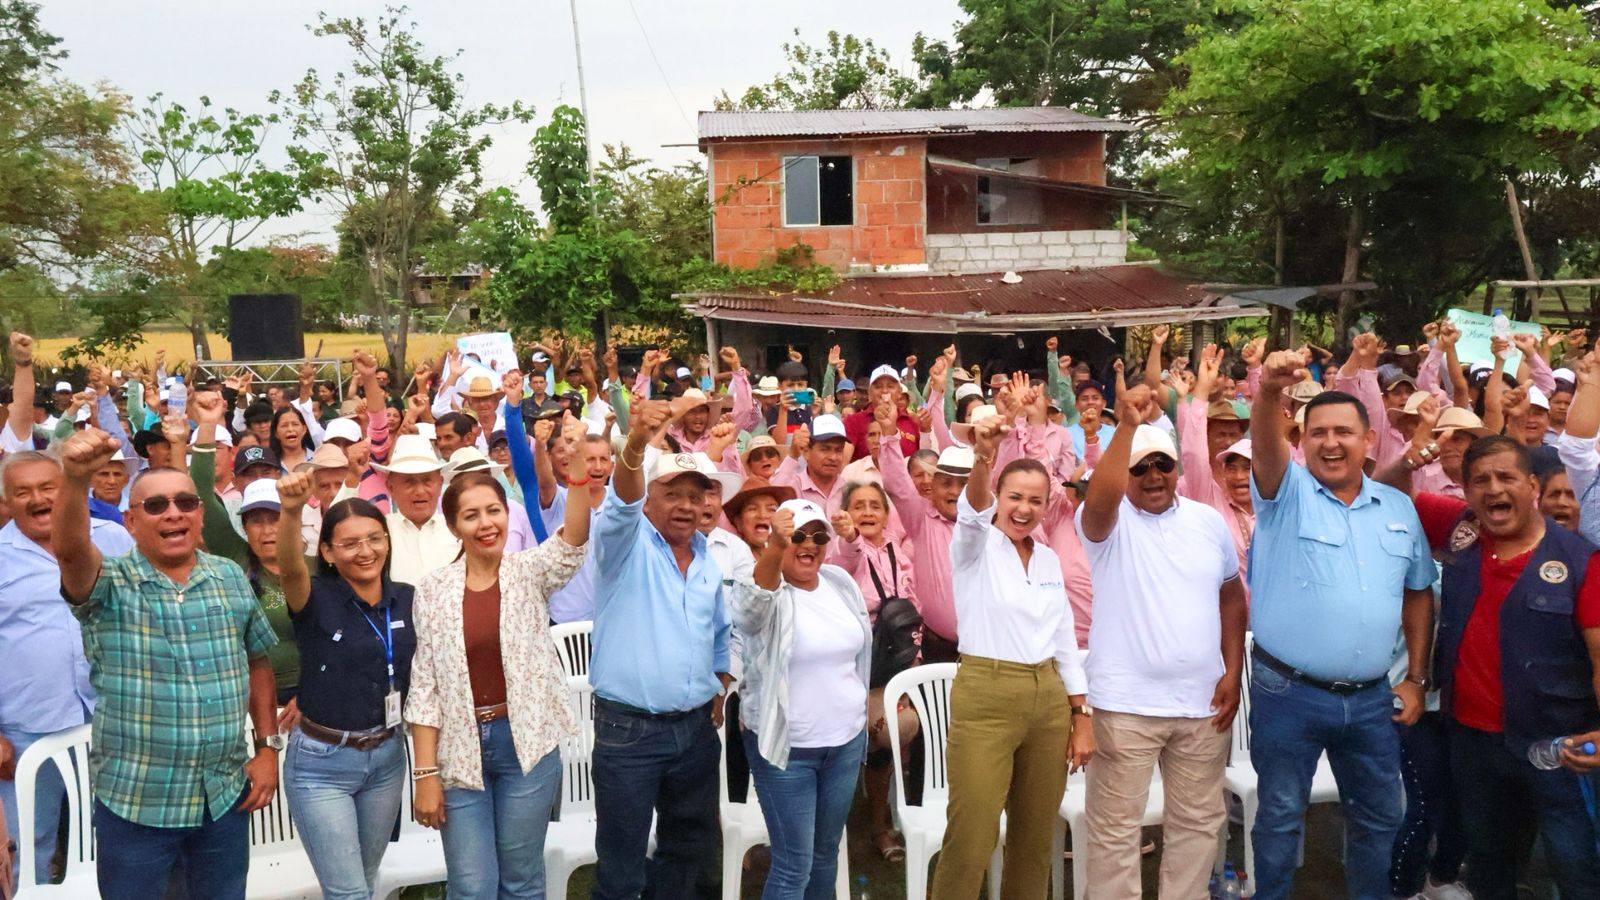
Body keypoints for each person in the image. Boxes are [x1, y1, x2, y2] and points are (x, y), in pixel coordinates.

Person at [52, 428, 280, 900]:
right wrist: (74, 480)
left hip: (222, 798)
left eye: (185, 502)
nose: (173, 512)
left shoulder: (230, 576)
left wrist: (267, 748)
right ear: (131, 522)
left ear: (201, 514)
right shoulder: (109, 582)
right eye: (155, 506)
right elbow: (70, 550)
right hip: (138, 805)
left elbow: (257, 660)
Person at [1247, 352, 1436, 900]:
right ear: (1302, 441)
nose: (1330, 443)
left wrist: (1416, 679)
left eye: (1344, 433)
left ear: (1369, 440)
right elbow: (1265, 446)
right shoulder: (1285, 495)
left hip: (1374, 699)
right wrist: (1268, 392)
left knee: (1379, 817)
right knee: (1280, 817)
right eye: (1318, 433)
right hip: (1289, 694)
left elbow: (1418, 591)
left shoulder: (1398, 508)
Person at [1405, 436, 1600, 898]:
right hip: (1473, 746)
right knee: (1488, 867)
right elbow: (1387, 492)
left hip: (1559, 745)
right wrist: (1411, 457)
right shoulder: (1461, 535)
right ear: (1466, 491)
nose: (1494, 488)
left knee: (1577, 868)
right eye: (1481, 480)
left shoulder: (1580, 561)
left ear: (1533, 486)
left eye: (1506, 477)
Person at [1076, 388, 1246, 899]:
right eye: (1140, 467)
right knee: (1115, 831)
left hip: (1202, 707)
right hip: (1125, 707)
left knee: (1198, 825)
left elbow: (1231, 597)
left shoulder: (1207, 521)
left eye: (1163, 464)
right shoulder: (1106, 523)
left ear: (1178, 469)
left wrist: (1232, 670)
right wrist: (1127, 426)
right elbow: (1100, 496)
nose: (1153, 475)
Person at [405, 448, 592, 899]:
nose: (486, 523)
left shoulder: (529, 571)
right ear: (454, 527)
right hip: (459, 749)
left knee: (521, 879)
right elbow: (425, 687)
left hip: (526, 745)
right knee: (472, 885)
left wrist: (578, 475)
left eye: (494, 511)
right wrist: (425, 774)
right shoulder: (432, 590)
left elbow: (573, 540)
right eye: (471, 516)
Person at [931, 414, 1092, 900]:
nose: (1024, 509)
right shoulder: (974, 546)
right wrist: (984, 456)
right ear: (999, 497)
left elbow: (1064, 638)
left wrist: (1080, 713)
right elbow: (972, 512)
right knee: (972, 835)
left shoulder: (1047, 559)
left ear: (1047, 505)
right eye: (1015, 497)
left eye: (1035, 501)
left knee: (1035, 836)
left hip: (1048, 701)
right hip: (987, 694)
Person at [589, 398, 739, 900]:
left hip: (695, 732)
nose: (686, 505)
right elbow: (621, 500)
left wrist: (719, 681)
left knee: (686, 854)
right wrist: (635, 443)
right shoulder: (623, 545)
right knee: (622, 865)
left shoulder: (707, 559)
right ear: (648, 501)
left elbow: (719, 630)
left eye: (696, 496)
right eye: (672, 493)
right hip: (629, 733)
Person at [270, 474, 413, 900]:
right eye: (350, 544)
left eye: (374, 539)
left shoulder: (407, 598)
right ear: (328, 552)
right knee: (348, 892)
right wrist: (292, 510)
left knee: (364, 881)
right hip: (322, 763)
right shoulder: (313, 595)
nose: (365, 551)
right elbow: (290, 566)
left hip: (387, 757)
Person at [0, 450, 134, 887]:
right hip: (25, 730)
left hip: (114, 721)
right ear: (7, 501)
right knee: (26, 847)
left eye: (48, 487)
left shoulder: (112, 538)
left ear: (70, 489)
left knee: (117, 841)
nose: (38, 499)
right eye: (23, 492)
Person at [731, 499, 871, 899]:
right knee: (793, 864)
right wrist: (776, 545)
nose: (809, 544)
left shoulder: (838, 582)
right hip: (787, 751)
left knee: (825, 853)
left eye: (818, 535)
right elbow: (749, 613)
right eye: (798, 536)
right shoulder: (765, 588)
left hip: (845, 743)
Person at [374, 433, 460, 585]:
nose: (420, 491)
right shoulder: (379, 532)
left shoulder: (459, 530)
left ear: (440, 484)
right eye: (409, 482)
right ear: (391, 487)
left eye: (427, 481)